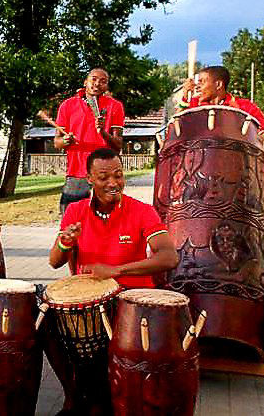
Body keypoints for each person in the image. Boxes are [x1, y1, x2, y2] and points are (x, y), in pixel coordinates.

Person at [46, 147, 178, 415]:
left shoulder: (142, 211)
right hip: (86, 301)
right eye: (104, 177)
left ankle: (106, 396)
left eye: (118, 175)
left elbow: (169, 257)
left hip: (131, 299)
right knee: (45, 321)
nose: (113, 183)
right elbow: (54, 262)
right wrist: (65, 242)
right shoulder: (75, 211)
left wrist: (116, 270)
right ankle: (72, 395)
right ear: (89, 179)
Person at [39, 68, 124, 214]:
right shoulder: (68, 105)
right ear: (85, 82)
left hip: (105, 174)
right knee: (71, 219)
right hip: (77, 171)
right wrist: (66, 140)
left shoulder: (115, 106)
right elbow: (57, 143)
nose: (97, 84)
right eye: (94, 79)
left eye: (103, 81)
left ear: (107, 86)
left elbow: (118, 146)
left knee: (106, 219)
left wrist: (103, 132)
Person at [179, 65, 264, 146]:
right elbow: (176, 129)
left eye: (202, 82)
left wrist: (263, 136)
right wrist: (185, 98)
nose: (197, 87)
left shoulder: (245, 106)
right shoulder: (193, 105)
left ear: (218, 84)